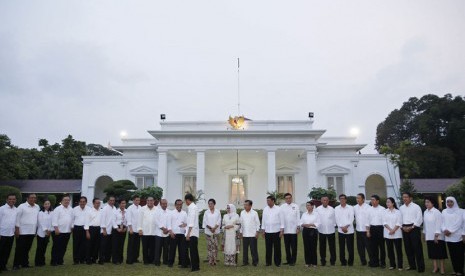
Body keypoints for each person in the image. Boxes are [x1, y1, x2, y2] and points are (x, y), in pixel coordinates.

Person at [13, 193, 40, 270]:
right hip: (22, 232)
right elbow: (17, 218)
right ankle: (16, 264)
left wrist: (36, 231)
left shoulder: (37, 207)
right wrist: (17, 229)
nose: (33, 199)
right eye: (31, 198)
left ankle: (25, 263)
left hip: (31, 231)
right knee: (19, 249)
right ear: (27, 198)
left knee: (27, 249)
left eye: (34, 198)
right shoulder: (22, 206)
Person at [400, 192, 425, 272]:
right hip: (404, 228)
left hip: (414, 228)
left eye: (406, 197)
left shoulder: (416, 207)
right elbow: (399, 219)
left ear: (410, 198)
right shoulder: (401, 208)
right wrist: (402, 227)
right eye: (403, 197)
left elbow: (419, 218)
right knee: (408, 248)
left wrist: (412, 227)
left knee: (417, 248)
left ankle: (421, 267)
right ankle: (412, 266)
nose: (404, 199)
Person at [423, 196, 447, 274]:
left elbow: (439, 224)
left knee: (440, 253)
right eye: (425, 202)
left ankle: (442, 268)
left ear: (432, 203)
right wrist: (424, 234)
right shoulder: (425, 212)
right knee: (432, 253)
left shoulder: (436, 212)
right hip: (429, 236)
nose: (426, 204)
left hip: (437, 236)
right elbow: (425, 225)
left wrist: (436, 236)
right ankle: (435, 267)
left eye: (428, 202)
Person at [441, 196, 464, 276]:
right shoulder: (444, 211)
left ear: (454, 202)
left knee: (459, 255)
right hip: (448, 237)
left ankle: (460, 271)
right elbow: (442, 222)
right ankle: (455, 270)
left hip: (457, 237)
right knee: (452, 255)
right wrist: (444, 230)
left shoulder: (461, 211)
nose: (449, 203)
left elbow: (459, 223)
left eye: (451, 201)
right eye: (448, 202)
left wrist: (450, 231)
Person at [262, 195, 284, 267]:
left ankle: (277, 262)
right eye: (267, 201)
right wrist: (263, 230)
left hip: (276, 231)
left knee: (277, 248)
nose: (267, 202)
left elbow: (282, 220)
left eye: (269, 201)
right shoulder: (265, 209)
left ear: (273, 201)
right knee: (268, 248)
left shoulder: (278, 209)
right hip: (268, 231)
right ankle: (268, 262)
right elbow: (263, 220)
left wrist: (281, 230)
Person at [51, 194, 73, 266]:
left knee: (64, 247)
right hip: (58, 231)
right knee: (56, 247)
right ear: (61, 201)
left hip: (67, 231)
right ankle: (54, 261)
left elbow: (72, 220)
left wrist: (71, 229)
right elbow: (54, 220)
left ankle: (60, 260)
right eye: (65, 200)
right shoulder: (58, 209)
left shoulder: (71, 209)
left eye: (68, 200)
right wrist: (56, 229)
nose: (66, 201)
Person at [365, 194, 386, 268]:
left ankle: (383, 262)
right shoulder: (369, 209)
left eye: (373, 200)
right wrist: (368, 231)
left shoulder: (383, 209)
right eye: (371, 200)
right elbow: (367, 221)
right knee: (373, 247)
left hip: (381, 229)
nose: (372, 201)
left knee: (382, 247)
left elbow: (385, 221)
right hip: (372, 229)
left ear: (377, 201)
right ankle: (375, 262)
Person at [168, 199, 189, 268]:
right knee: (172, 249)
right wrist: (171, 232)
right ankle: (170, 262)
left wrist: (185, 225)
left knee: (182, 249)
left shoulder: (184, 213)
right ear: (175, 205)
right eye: (178, 204)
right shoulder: (171, 213)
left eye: (180, 204)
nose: (179, 206)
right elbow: (168, 224)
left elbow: (187, 223)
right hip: (174, 234)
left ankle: (181, 262)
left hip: (182, 234)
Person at [383, 197, 403, 271]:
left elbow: (399, 222)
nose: (387, 203)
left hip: (397, 234)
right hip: (388, 234)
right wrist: (390, 230)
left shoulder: (398, 212)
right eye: (386, 202)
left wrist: (393, 230)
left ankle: (400, 265)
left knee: (398, 250)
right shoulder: (384, 211)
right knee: (390, 250)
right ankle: (392, 265)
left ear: (393, 203)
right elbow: (384, 222)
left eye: (389, 202)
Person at [335, 194, 355, 266]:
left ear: (346, 200)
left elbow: (351, 218)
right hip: (341, 231)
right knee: (342, 247)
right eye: (340, 198)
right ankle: (343, 262)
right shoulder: (337, 208)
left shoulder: (350, 208)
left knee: (350, 248)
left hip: (349, 230)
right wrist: (341, 227)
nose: (342, 200)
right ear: (339, 199)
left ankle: (350, 262)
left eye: (343, 198)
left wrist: (346, 227)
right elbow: (337, 219)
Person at [280, 193, 300, 266]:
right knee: (287, 246)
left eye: (289, 198)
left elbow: (298, 217)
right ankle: (288, 260)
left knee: (294, 246)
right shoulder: (282, 207)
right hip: (286, 230)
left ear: (291, 198)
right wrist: (282, 229)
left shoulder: (296, 206)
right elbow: (281, 218)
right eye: (286, 198)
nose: (288, 199)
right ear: (285, 199)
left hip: (294, 230)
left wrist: (298, 227)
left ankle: (293, 261)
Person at [316, 195, 336, 266]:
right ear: (321, 201)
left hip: (331, 231)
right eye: (323, 200)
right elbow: (317, 219)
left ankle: (333, 261)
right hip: (322, 231)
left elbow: (334, 219)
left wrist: (333, 225)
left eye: (326, 200)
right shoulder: (317, 209)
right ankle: (323, 261)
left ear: (328, 201)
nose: (325, 201)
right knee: (322, 247)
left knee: (332, 247)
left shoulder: (332, 209)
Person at [239, 199, 260, 267]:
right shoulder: (242, 213)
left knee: (253, 249)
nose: (245, 206)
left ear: (250, 205)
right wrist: (241, 232)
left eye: (246, 205)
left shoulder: (254, 213)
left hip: (252, 234)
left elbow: (257, 223)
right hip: (245, 234)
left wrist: (257, 232)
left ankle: (255, 262)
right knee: (245, 249)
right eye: (244, 205)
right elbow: (241, 223)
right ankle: (245, 262)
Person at [0, 193, 17, 272]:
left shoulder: (16, 209)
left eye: (13, 199)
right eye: (10, 199)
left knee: (7, 252)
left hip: (11, 234)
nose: (12, 200)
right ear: (7, 200)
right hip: (2, 234)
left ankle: (3, 266)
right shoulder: (1, 209)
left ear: (15, 200)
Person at [138, 196, 157, 265]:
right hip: (144, 232)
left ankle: (151, 260)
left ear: (153, 201)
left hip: (154, 232)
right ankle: (145, 260)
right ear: (147, 201)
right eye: (148, 200)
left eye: (151, 200)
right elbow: (139, 220)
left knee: (152, 247)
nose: (150, 202)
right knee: (145, 247)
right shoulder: (142, 209)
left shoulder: (157, 209)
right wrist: (140, 229)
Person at [300, 201, 320, 268]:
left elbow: (318, 223)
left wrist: (310, 224)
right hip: (305, 230)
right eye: (306, 205)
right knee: (306, 247)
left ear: (312, 206)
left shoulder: (316, 214)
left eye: (308, 205)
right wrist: (304, 225)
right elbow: (301, 222)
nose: (307, 207)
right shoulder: (304, 214)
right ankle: (307, 262)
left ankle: (314, 263)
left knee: (313, 247)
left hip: (313, 230)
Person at [202, 198, 221, 266]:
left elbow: (219, 220)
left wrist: (214, 228)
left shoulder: (217, 211)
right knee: (209, 246)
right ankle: (210, 260)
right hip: (208, 232)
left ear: (214, 204)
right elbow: (205, 221)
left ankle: (215, 260)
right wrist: (210, 228)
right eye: (209, 204)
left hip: (216, 232)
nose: (210, 205)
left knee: (215, 246)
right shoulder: (206, 212)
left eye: (211, 204)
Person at [72, 196, 90, 264]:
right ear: (79, 202)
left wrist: (87, 230)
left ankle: (82, 259)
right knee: (76, 244)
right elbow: (72, 220)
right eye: (81, 201)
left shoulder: (89, 209)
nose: (82, 203)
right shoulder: (75, 209)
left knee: (84, 245)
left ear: (86, 202)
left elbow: (89, 220)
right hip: (76, 228)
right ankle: (76, 260)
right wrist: (72, 228)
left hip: (85, 228)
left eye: (84, 202)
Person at [35, 199, 53, 267]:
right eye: (45, 204)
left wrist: (50, 230)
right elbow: (41, 222)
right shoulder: (40, 213)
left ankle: (42, 261)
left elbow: (52, 222)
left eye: (48, 204)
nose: (47, 205)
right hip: (41, 233)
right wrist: (46, 230)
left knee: (44, 248)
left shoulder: (51, 212)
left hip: (48, 233)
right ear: (43, 205)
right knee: (40, 248)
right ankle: (38, 262)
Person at [353, 193, 370, 266]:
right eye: (357, 198)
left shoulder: (368, 207)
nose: (357, 199)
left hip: (366, 230)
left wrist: (368, 230)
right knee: (360, 248)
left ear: (363, 199)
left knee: (369, 247)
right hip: (358, 230)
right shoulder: (355, 207)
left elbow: (369, 219)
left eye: (359, 198)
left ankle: (372, 260)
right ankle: (363, 261)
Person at [185, 193, 200, 272]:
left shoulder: (192, 207)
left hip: (192, 232)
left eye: (185, 201)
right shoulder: (194, 207)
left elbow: (191, 221)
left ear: (187, 200)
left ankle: (194, 267)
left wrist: (188, 234)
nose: (185, 202)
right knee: (194, 250)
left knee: (192, 251)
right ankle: (196, 266)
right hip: (194, 231)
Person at [99, 196, 116, 264]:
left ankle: (107, 259)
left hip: (112, 230)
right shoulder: (105, 208)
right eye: (111, 200)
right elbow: (102, 220)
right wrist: (104, 230)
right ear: (108, 201)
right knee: (103, 246)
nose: (112, 202)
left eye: (113, 200)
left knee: (109, 246)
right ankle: (101, 260)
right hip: (105, 230)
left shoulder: (114, 208)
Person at [84, 198, 101, 264]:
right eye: (96, 203)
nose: (98, 204)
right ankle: (88, 259)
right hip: (91, 229)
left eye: (99, 203)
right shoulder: (89, 211)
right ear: (93, 203)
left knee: (97, 245)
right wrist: (87, 232)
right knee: (89, 245)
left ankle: (94, 259)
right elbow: (86, 222)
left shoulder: (101, 211)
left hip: (99, 229)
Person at [154, 199, 171, 266]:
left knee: (166, 248)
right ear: (160, 204)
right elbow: (156, 221)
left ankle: (165, 261)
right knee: (158, 248)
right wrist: (163, 228)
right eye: (163, 204)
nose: (164, 205)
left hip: (167, 233)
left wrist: (167, 230)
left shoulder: (169, 212)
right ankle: (157, 261)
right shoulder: (157, 211)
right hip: (159, 233)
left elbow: (169, 222)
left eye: (165, 204)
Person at [126, 195, 141, 264]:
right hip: (132, 229)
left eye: (138, 200)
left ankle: (135, 258)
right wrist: (130, 229)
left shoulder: (140, 207)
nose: (138, 201)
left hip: (138, 230)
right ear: (133, 200)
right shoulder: (130, 208)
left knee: (137, 245)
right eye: (136, 200)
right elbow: (128, 219)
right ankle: (129, 260)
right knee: (131, 246)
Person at [112, 198, 127, 264]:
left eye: (124, 203)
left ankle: (120, 259)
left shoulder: (127, 211)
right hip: (116, 228)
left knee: (121, 244)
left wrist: (125, 228)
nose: (123, 205)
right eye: (122, 203)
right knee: (116, 244)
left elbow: (128, 220)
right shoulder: (115, 211)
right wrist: (117, 229)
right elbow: (113, 221)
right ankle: (115, 260)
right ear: (119, 204)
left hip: (123, 228)